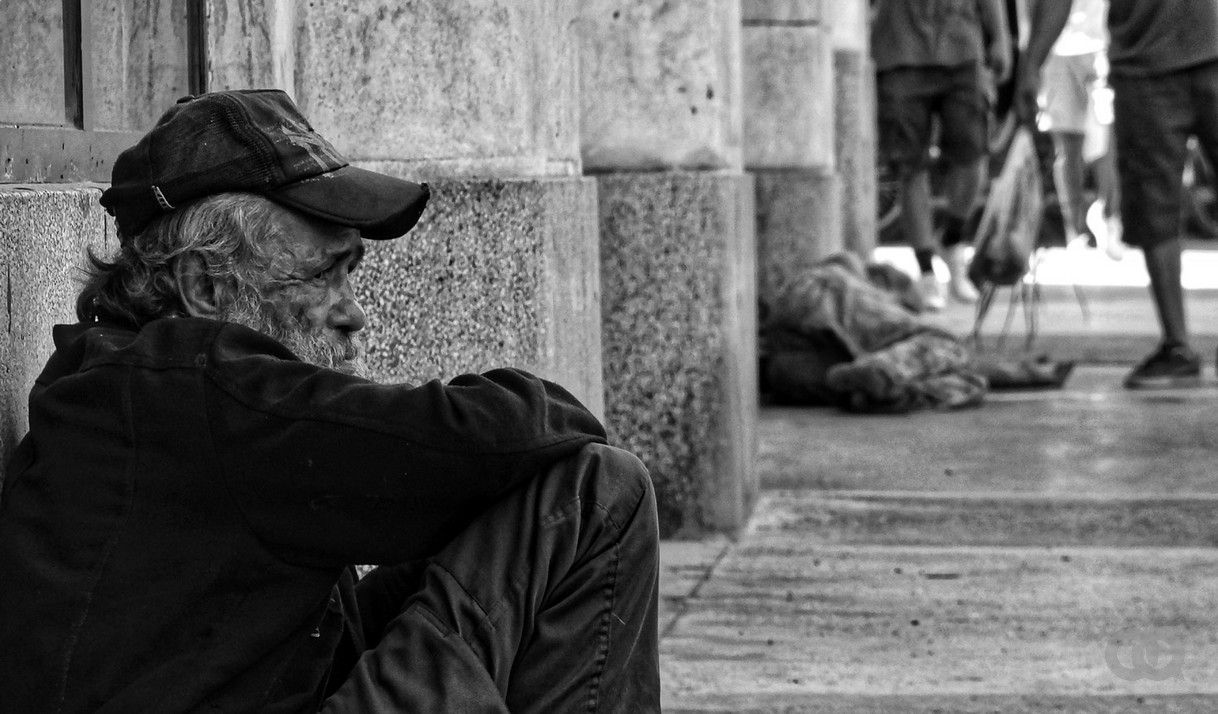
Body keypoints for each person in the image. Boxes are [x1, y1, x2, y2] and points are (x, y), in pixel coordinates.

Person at [0, 89, 661, 712]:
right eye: (321, 277)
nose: (354, 316)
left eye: (351, 273)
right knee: (595, 491)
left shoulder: (128, 383)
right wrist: (555, 414)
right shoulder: (194, 388)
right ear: (204, 286)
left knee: (511, 503)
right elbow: (496, 429)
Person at [1098, 0, 1218, 388]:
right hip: (1145, 65)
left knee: (1154, 203)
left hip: (1172, 57)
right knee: (1153, 205)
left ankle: (1177, 346)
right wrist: (1030, 62)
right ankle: (1177, 345)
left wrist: (1030, 62)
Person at [872, 0, 1013, 310]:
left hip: (962, 47)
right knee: (909, 165)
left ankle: (953, 238)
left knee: (973, 153)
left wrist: (1000, 36)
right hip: (900, 49)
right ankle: (926, 271)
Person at [1037, 0, 1124, 260]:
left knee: (1105, 142)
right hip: (1055, 51)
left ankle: (1110, 219)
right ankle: (1074, 231)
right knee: (1067, 149)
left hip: (1101, 48)